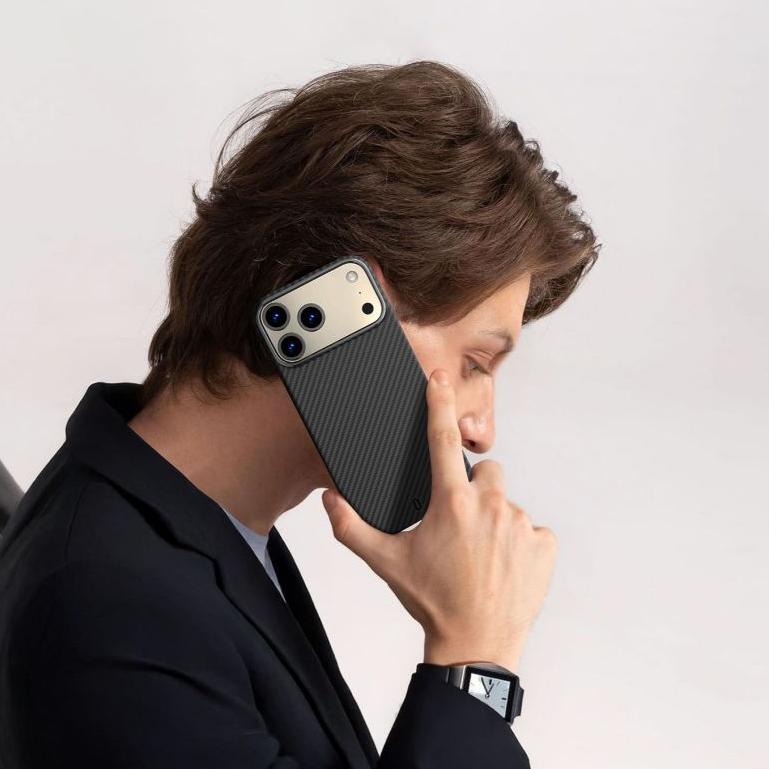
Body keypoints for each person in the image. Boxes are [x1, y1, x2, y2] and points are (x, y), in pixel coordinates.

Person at [0, 60, 599, 768]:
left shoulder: (193, 537)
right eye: (474, 362)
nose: (480, 429)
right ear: (339, 314)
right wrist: (475, 658)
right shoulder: (113, 605)